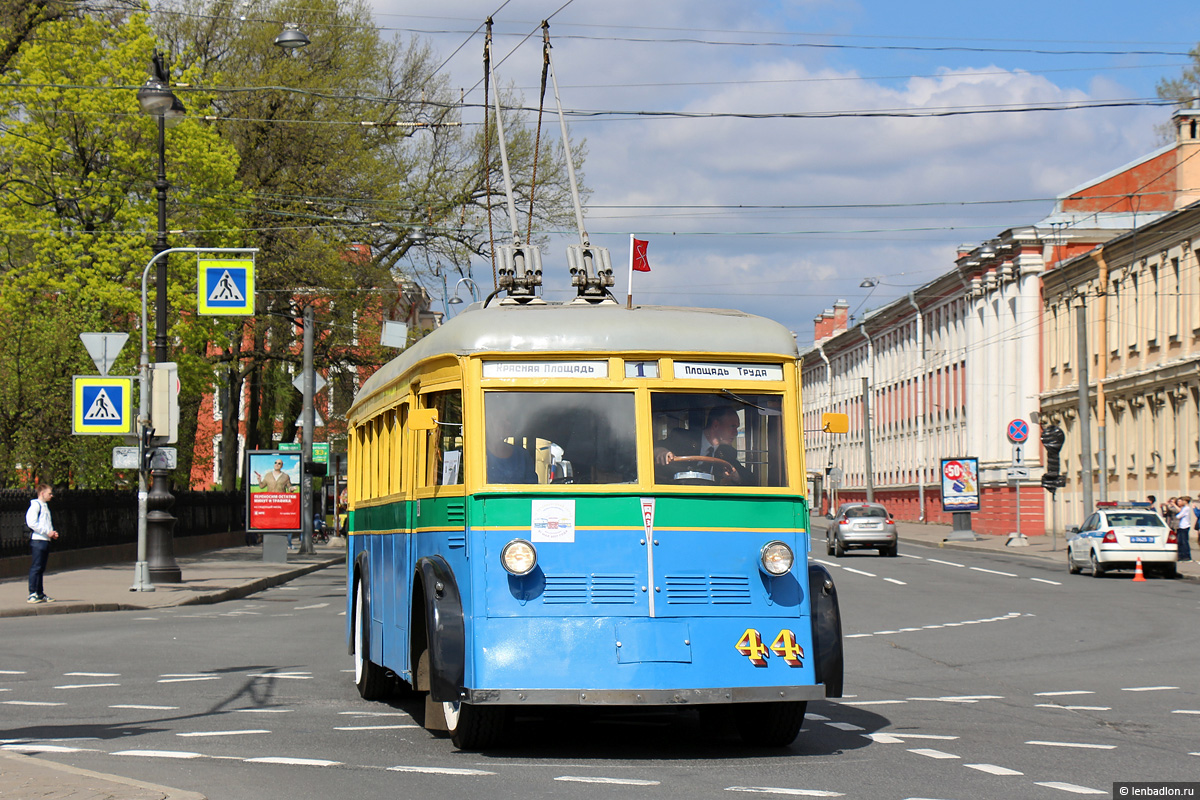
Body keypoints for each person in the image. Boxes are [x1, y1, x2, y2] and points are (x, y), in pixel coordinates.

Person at [654, 406, 750, 483]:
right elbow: (649, 448)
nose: (736, 433)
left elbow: (750, 479)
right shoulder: (683, 438)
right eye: (732, 426)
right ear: (716, 425)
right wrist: (660, 451)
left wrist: (736, 476)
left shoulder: (727, 452)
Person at [26, 483, 59, 604]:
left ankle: (39, 593)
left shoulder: (44, 506)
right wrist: (47, 532)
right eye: (49, 493)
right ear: (42, 493)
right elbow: (31, 522)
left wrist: (51, 533)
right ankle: (32, 593)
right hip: (38, 540)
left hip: (45, 540)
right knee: (36, 567)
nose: (51, 495)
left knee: (41, 568)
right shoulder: (36, 506)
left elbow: (45, 523)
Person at [486, 407, 537, 484]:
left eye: (509, 420)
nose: (508, 424)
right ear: (489, 424)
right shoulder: (480, 455)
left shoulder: (522, 455)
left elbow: (532, 487)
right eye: (502, 421)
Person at [1175, 496, 1194, 563]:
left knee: (1184, 542)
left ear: (1185, 501)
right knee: (1180, 541)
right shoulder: (1185, 508)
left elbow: (1178, 516)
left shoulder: (1186, 508)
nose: (1181, 502)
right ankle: (1181, 556)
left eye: (1182, 501)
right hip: (1182, 526)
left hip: (1184, 526)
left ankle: (1186, 556)